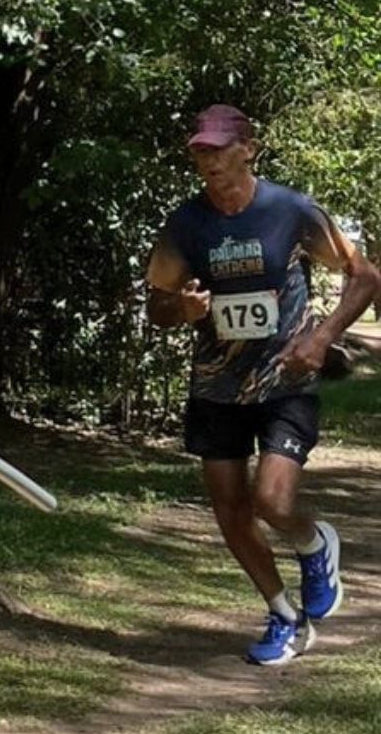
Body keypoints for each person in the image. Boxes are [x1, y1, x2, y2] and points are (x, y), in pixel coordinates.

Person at [144, 104, 378, 665]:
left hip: (285, 380)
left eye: (220, 148)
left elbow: (365, 277)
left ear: (248, 149)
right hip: (216, 387)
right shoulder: (185, 224)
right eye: (201, 151)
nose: (210, 160)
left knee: (271, 500)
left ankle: (313, 543)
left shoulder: (290, 210)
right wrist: (182, 308)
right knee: (230, 510)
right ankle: (283, 615)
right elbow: (157, 306)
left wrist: (321, 338)